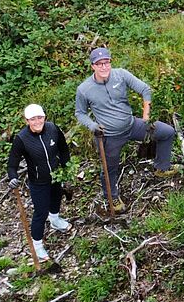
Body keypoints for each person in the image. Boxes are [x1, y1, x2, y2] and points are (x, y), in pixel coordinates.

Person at [75, 48, 177, 212]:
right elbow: (80, 113)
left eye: (106, 62)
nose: (104, 67)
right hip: (109, 136)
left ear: (110, 62)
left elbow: (145, 89)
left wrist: (146, 117)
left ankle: (161, 168)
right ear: (92, 66)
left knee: (167, 132)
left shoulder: (121, 75)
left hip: (132, 125)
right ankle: (112, 197)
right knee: (109, 168)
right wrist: (92, 126)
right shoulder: (84, 89)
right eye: (99, 64)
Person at [7, 104, 71, 261]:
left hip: (56, 175)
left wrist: (66, 168)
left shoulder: (53, 129)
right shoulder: (22, 139)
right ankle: (37, 245)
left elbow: (64, 149)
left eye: (40, 117)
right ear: (27, 121)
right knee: (41, 212)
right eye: (33, 119)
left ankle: (55, 220)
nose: (37, 122)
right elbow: (12, 164)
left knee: (56, 198)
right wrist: (13, 177)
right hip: (38, 181)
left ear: (44, 117)